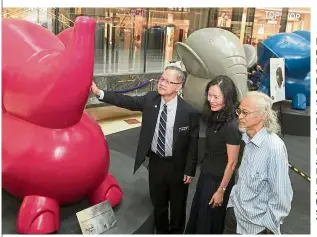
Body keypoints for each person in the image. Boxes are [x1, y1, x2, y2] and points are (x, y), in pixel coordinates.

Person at [90, 63, 200, 234]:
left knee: (178, 207)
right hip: (156, 163)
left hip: (178, 167)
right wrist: (99, 93)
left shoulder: (189, 112)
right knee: (158, 203)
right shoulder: (150, 99)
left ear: (178, 87)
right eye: (162, 79)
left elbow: (193, 143)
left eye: (168, 82)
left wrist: (190, 170)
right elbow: (128, 101)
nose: (162, 83)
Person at [224, 91, 293, 235]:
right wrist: (232, 204)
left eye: (245, 112)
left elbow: (282, 196)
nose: (240, 116)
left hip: (256, 228)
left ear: (263, 115)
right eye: (239, 111)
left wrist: (266, 226)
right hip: (235, 217)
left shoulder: (274, 148)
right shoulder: (246, 137)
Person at [185, 75, 241, 234]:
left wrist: (221, 191)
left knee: (210, 222)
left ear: (227, 97)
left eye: (216, 97)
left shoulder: (231, 126)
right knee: (200, 217)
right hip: (206, 174)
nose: (211, 100)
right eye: (209, 95)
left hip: (219, 180)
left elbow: (232, 163)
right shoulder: (214, 114)